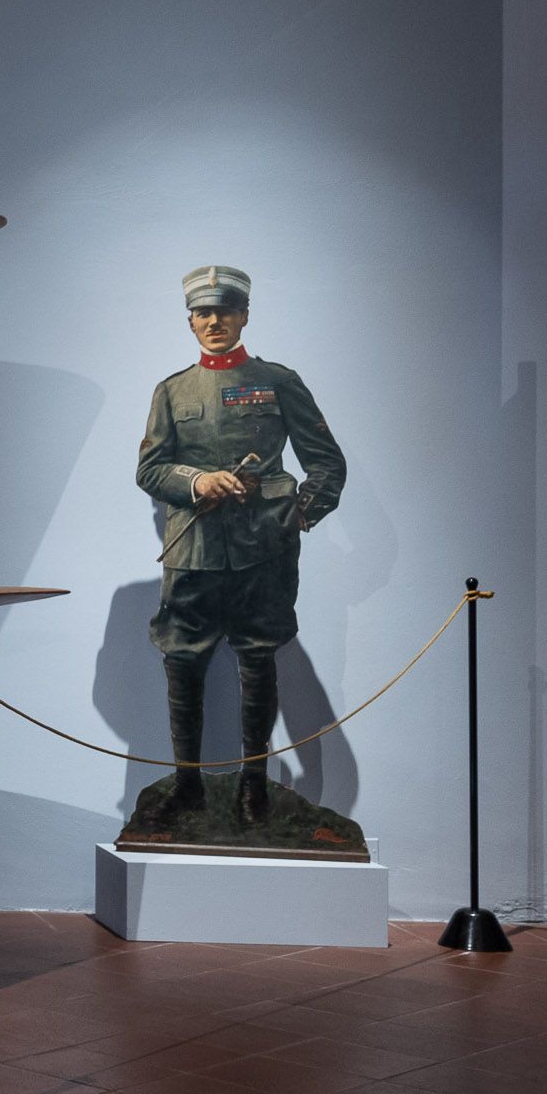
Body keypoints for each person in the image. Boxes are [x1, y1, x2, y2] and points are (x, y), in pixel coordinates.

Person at [135, 266, 347, 824]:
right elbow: (150, 471)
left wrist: (297, 515)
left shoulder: (278, 381)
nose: (214, 322)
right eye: (203, 313)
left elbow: (326, 461)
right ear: (191, 321)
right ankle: (188, 787)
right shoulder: (172, 390)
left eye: (225, 311)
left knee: (257, 659)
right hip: (193, 552)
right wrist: (197, 482)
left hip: (263, 551)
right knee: (182, 663)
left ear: (244, 316)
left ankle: (255, 784)